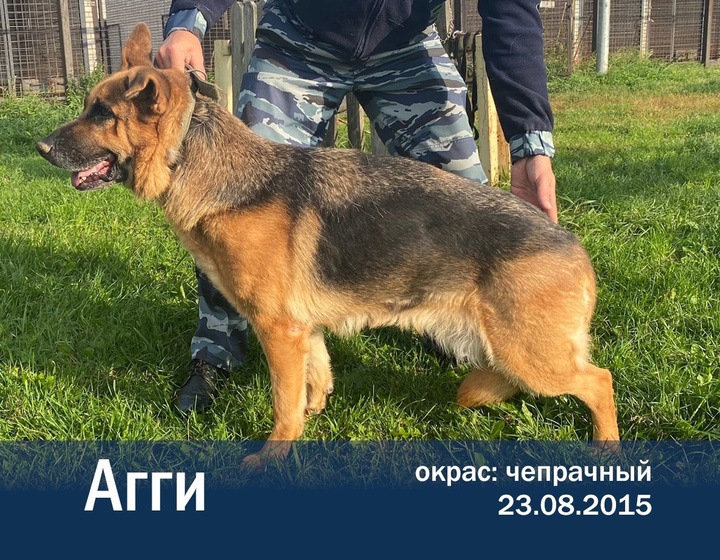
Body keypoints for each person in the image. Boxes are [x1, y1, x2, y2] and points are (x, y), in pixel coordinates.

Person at [155, 0, 558, 413]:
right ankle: (216, 350)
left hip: (405, 44)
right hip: (298, 41)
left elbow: (510, 9)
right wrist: (189, 20)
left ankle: (447, 320)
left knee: (466, 200)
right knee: (237, 195)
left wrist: (530, 144)